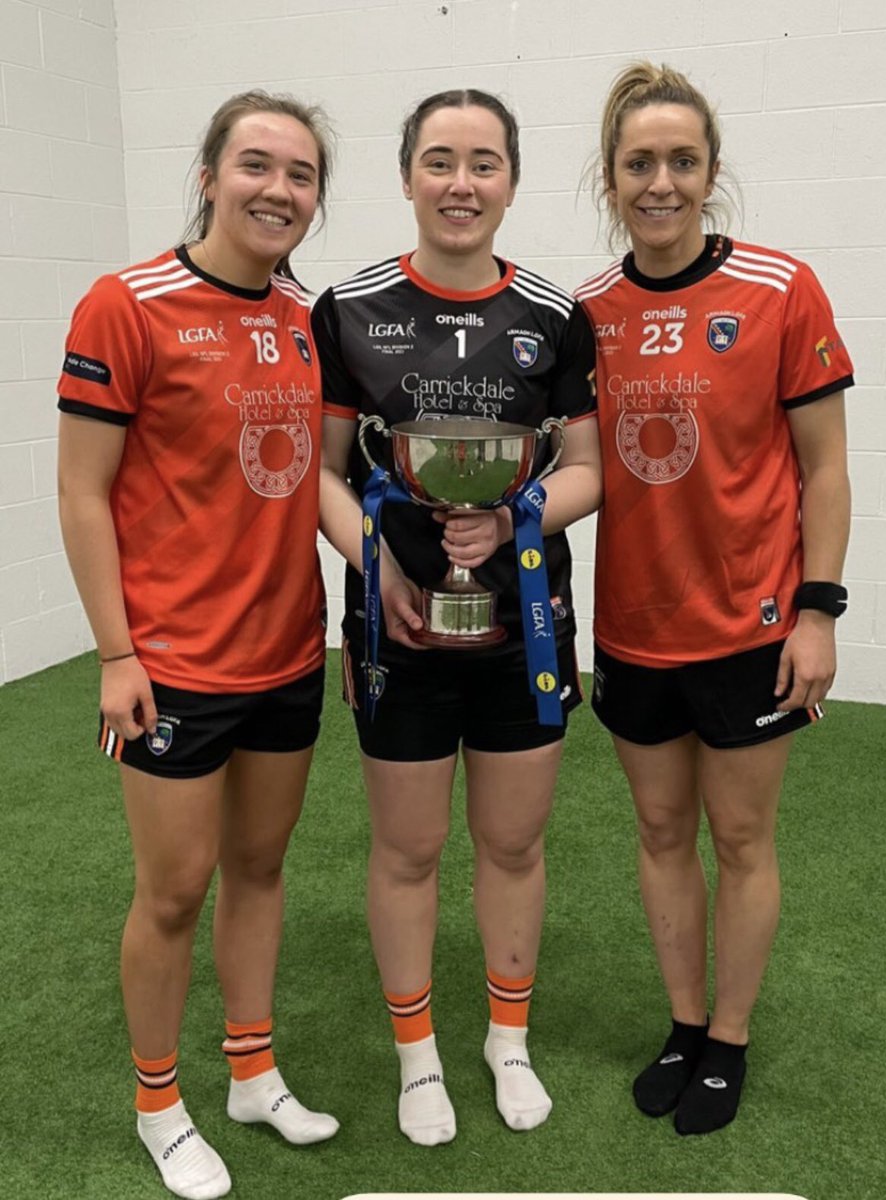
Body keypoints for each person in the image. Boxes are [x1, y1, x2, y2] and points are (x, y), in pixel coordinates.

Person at [57, 91, 340, 1200]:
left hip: (288, 654)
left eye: (302, 174)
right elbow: (84, 495)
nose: (279, 190)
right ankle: (158, 1102)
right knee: (172, 892)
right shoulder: (124, 304)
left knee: (259, 869)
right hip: (171, 664)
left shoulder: (304, 316)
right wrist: (115, 655)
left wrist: (387, 573)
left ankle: (251, 1071)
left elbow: (309, 480)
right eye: (257, 165)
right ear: (210, 173)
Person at [312, 88, 600, 1144]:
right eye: (439, 160)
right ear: (405, 176)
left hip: (523, 621)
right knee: (407, 849)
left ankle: (505, 1039)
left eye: (483, 163)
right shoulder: (346, 307)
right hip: (397, 631)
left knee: (514, 845)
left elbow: (589, 466)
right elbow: (320, 473)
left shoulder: (555, 317)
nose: (460, 183)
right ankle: (417, 1054)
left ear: (511, 182)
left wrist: (517, 516)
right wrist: (373, 551)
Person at [576, 62, 853, 1136]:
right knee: (656, 830)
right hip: (632, 630)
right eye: (638, 162)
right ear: (609, 178)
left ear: (710, 172)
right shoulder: (589, 312)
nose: (659, 182)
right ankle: (682, 1022)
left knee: (740, 838)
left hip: (751, 625)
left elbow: (822, 466)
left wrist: (817, 610)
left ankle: (728, 1038)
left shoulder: (780, 290)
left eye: (680, 161)